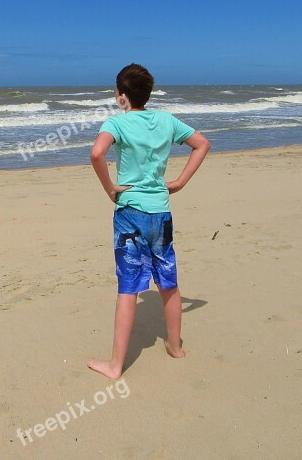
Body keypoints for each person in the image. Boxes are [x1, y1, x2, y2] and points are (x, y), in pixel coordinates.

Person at [87, 63, 211, 379]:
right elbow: (202, 144)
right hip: (160, 213)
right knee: (167, 280)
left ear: (120, 95)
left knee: (129, 287)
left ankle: (116, 366)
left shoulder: (117, 123)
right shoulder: (166, 120)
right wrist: (179, 182)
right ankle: (175, 346)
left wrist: (110, 188)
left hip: (130, 214)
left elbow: (96, 154)